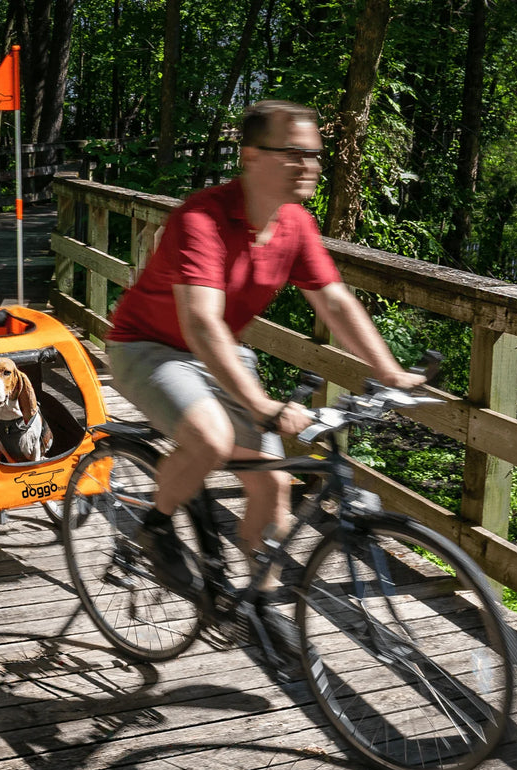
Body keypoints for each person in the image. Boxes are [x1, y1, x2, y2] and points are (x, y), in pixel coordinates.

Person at [106, 99, 424, 611]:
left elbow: (335, 300)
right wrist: (260, 405)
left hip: (220, 353)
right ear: (251, 156)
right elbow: (202, 321)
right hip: (149, 347)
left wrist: (387, 371)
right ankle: (156, 526)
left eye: (316, 155)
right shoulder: (202, 219)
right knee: (210, 440)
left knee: (274, 486)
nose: (311, 166)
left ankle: (260, 601)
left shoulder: (295, 223)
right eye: (295, 154)